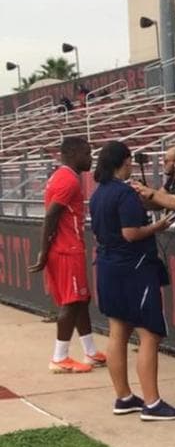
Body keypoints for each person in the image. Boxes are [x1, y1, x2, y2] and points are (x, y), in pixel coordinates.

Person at [88, 141, 175, 421]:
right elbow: (131, 233)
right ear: (125, 161)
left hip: (108, 265)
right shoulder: (123, 192)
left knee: (118, 330)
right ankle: (152, 402)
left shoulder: (98, 193)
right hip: (134, 267)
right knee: (150, 333)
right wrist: (158, 226)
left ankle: (124, 396)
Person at [30, 136, 106, 373]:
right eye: (87, 153)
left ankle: (90, 351)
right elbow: (51, 215)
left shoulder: (61, 176)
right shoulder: (69, 180)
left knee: (81, 300)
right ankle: (59, 357)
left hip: (67, 248)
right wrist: (43, 251)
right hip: (66, 249)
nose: (90, 158)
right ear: (73, 154)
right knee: (72, 302)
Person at [131, 145, 175, 231]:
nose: (163, 164)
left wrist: (149, 192)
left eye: (166, 161)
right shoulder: (173, 178)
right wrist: (142, 194)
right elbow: (158, 202)